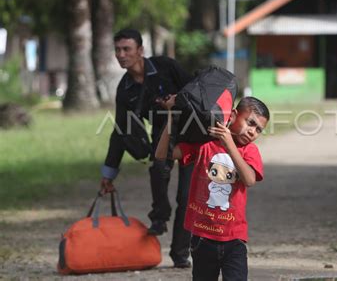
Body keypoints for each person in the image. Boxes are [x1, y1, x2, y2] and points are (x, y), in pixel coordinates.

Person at [99, 28, 194, 268]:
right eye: (118, 50)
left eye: (126, 49)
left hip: (191, 133)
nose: (121, 55)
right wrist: (108, 174)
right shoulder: (125, 90)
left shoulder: (165, 67)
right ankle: (160, 218)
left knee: (186, 196)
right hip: (162, 136)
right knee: (157, 167)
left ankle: (180, 253)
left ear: (140, 50)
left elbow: (195, 91)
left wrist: (177, 102)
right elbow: (119, 132)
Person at [155, 96, 269, 281]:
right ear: (233, 115)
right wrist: (171, 115)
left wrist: (229, 144)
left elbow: (249, 179)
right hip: (202, 238)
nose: (252, 132)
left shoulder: (249, 151)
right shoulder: (204, 143)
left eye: (258, 130)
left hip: (234, 239)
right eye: (250, 123)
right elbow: (162, 154)